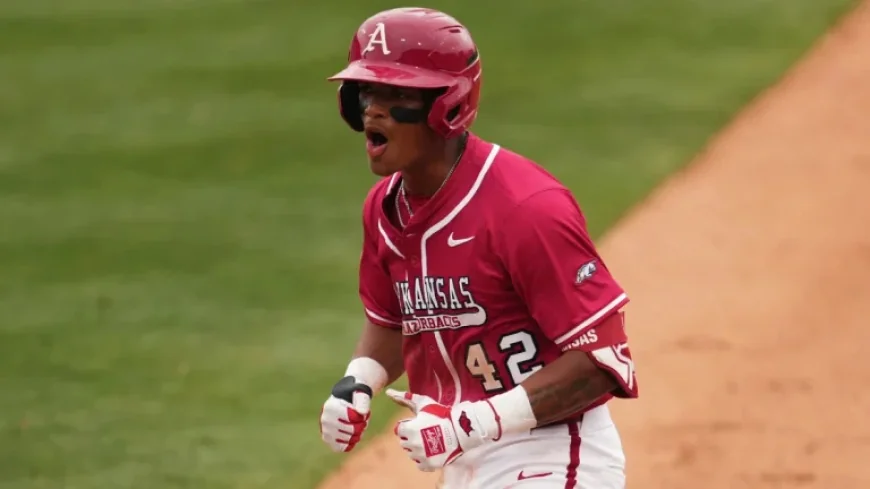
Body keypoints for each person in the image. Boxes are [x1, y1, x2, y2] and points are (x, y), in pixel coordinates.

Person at [318, 7, 638, 489]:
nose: (374, 110)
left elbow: (604, 360)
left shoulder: (525, 207)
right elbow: (392, 321)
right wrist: (357, 381)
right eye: (367, 91)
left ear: (447, 104)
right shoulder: (384, 208)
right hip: (466, 461)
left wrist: (469, 423)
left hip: (552, 452)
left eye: (398, 94)